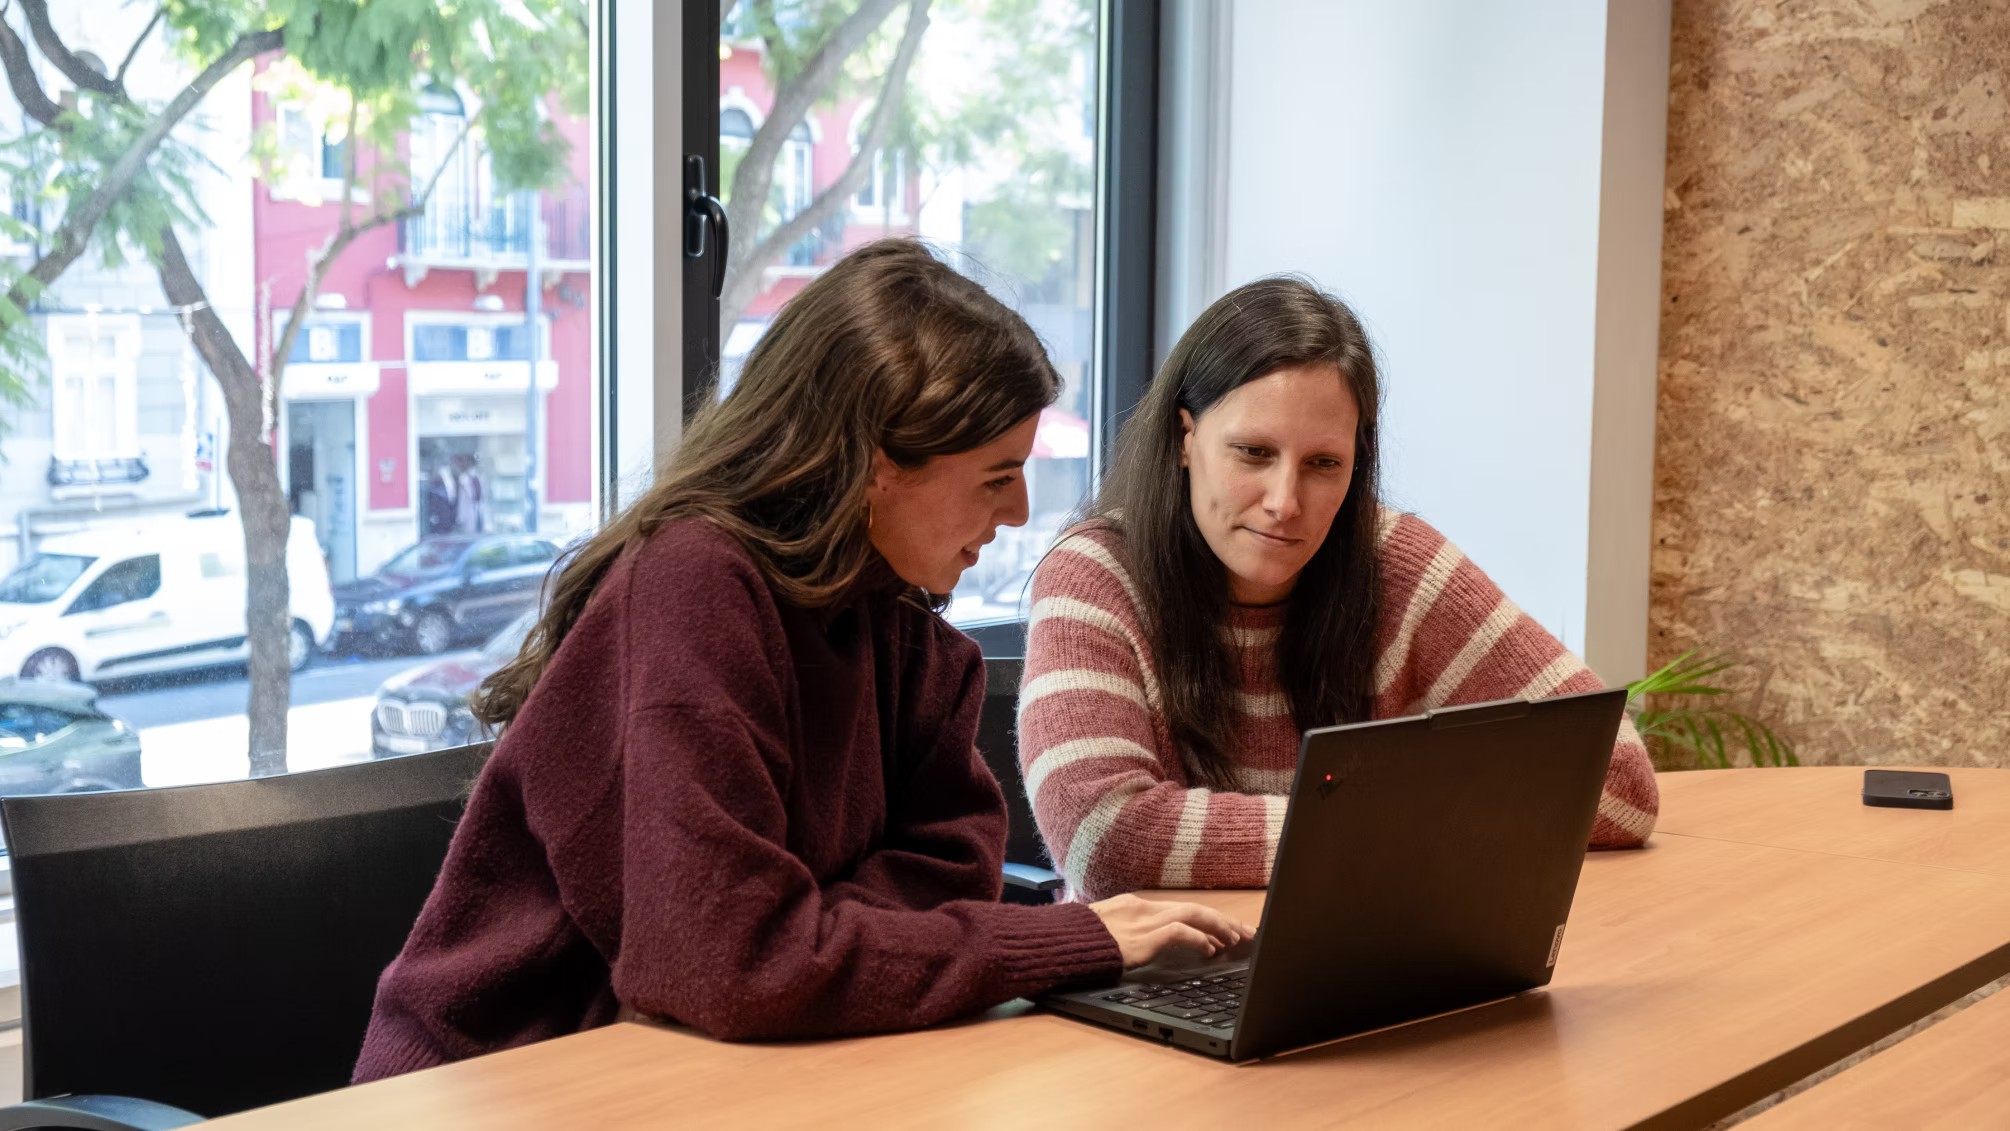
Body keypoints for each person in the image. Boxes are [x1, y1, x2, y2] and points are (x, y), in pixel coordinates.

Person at [353, 241, 1249, 1083]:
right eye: (993, 474)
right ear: (873, 465)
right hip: (510, 1081)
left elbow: (950, 870)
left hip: (733, 1067)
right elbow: (730, 963)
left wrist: (811, 937)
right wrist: (1072, 940)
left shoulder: (904, 633)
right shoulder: (691, 586)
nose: (1018, 512)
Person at [1018, 277, 1659, 902]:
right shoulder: (1096, 574)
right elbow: (1103, 837)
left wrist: (1368, 828)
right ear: (1186, 438)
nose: (1284, 502)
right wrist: (1399, 825)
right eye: (1252, 452)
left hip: (1361, 959)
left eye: (1324, 464)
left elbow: (1620, 784)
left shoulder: (1397, 565)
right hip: (1152, 983)